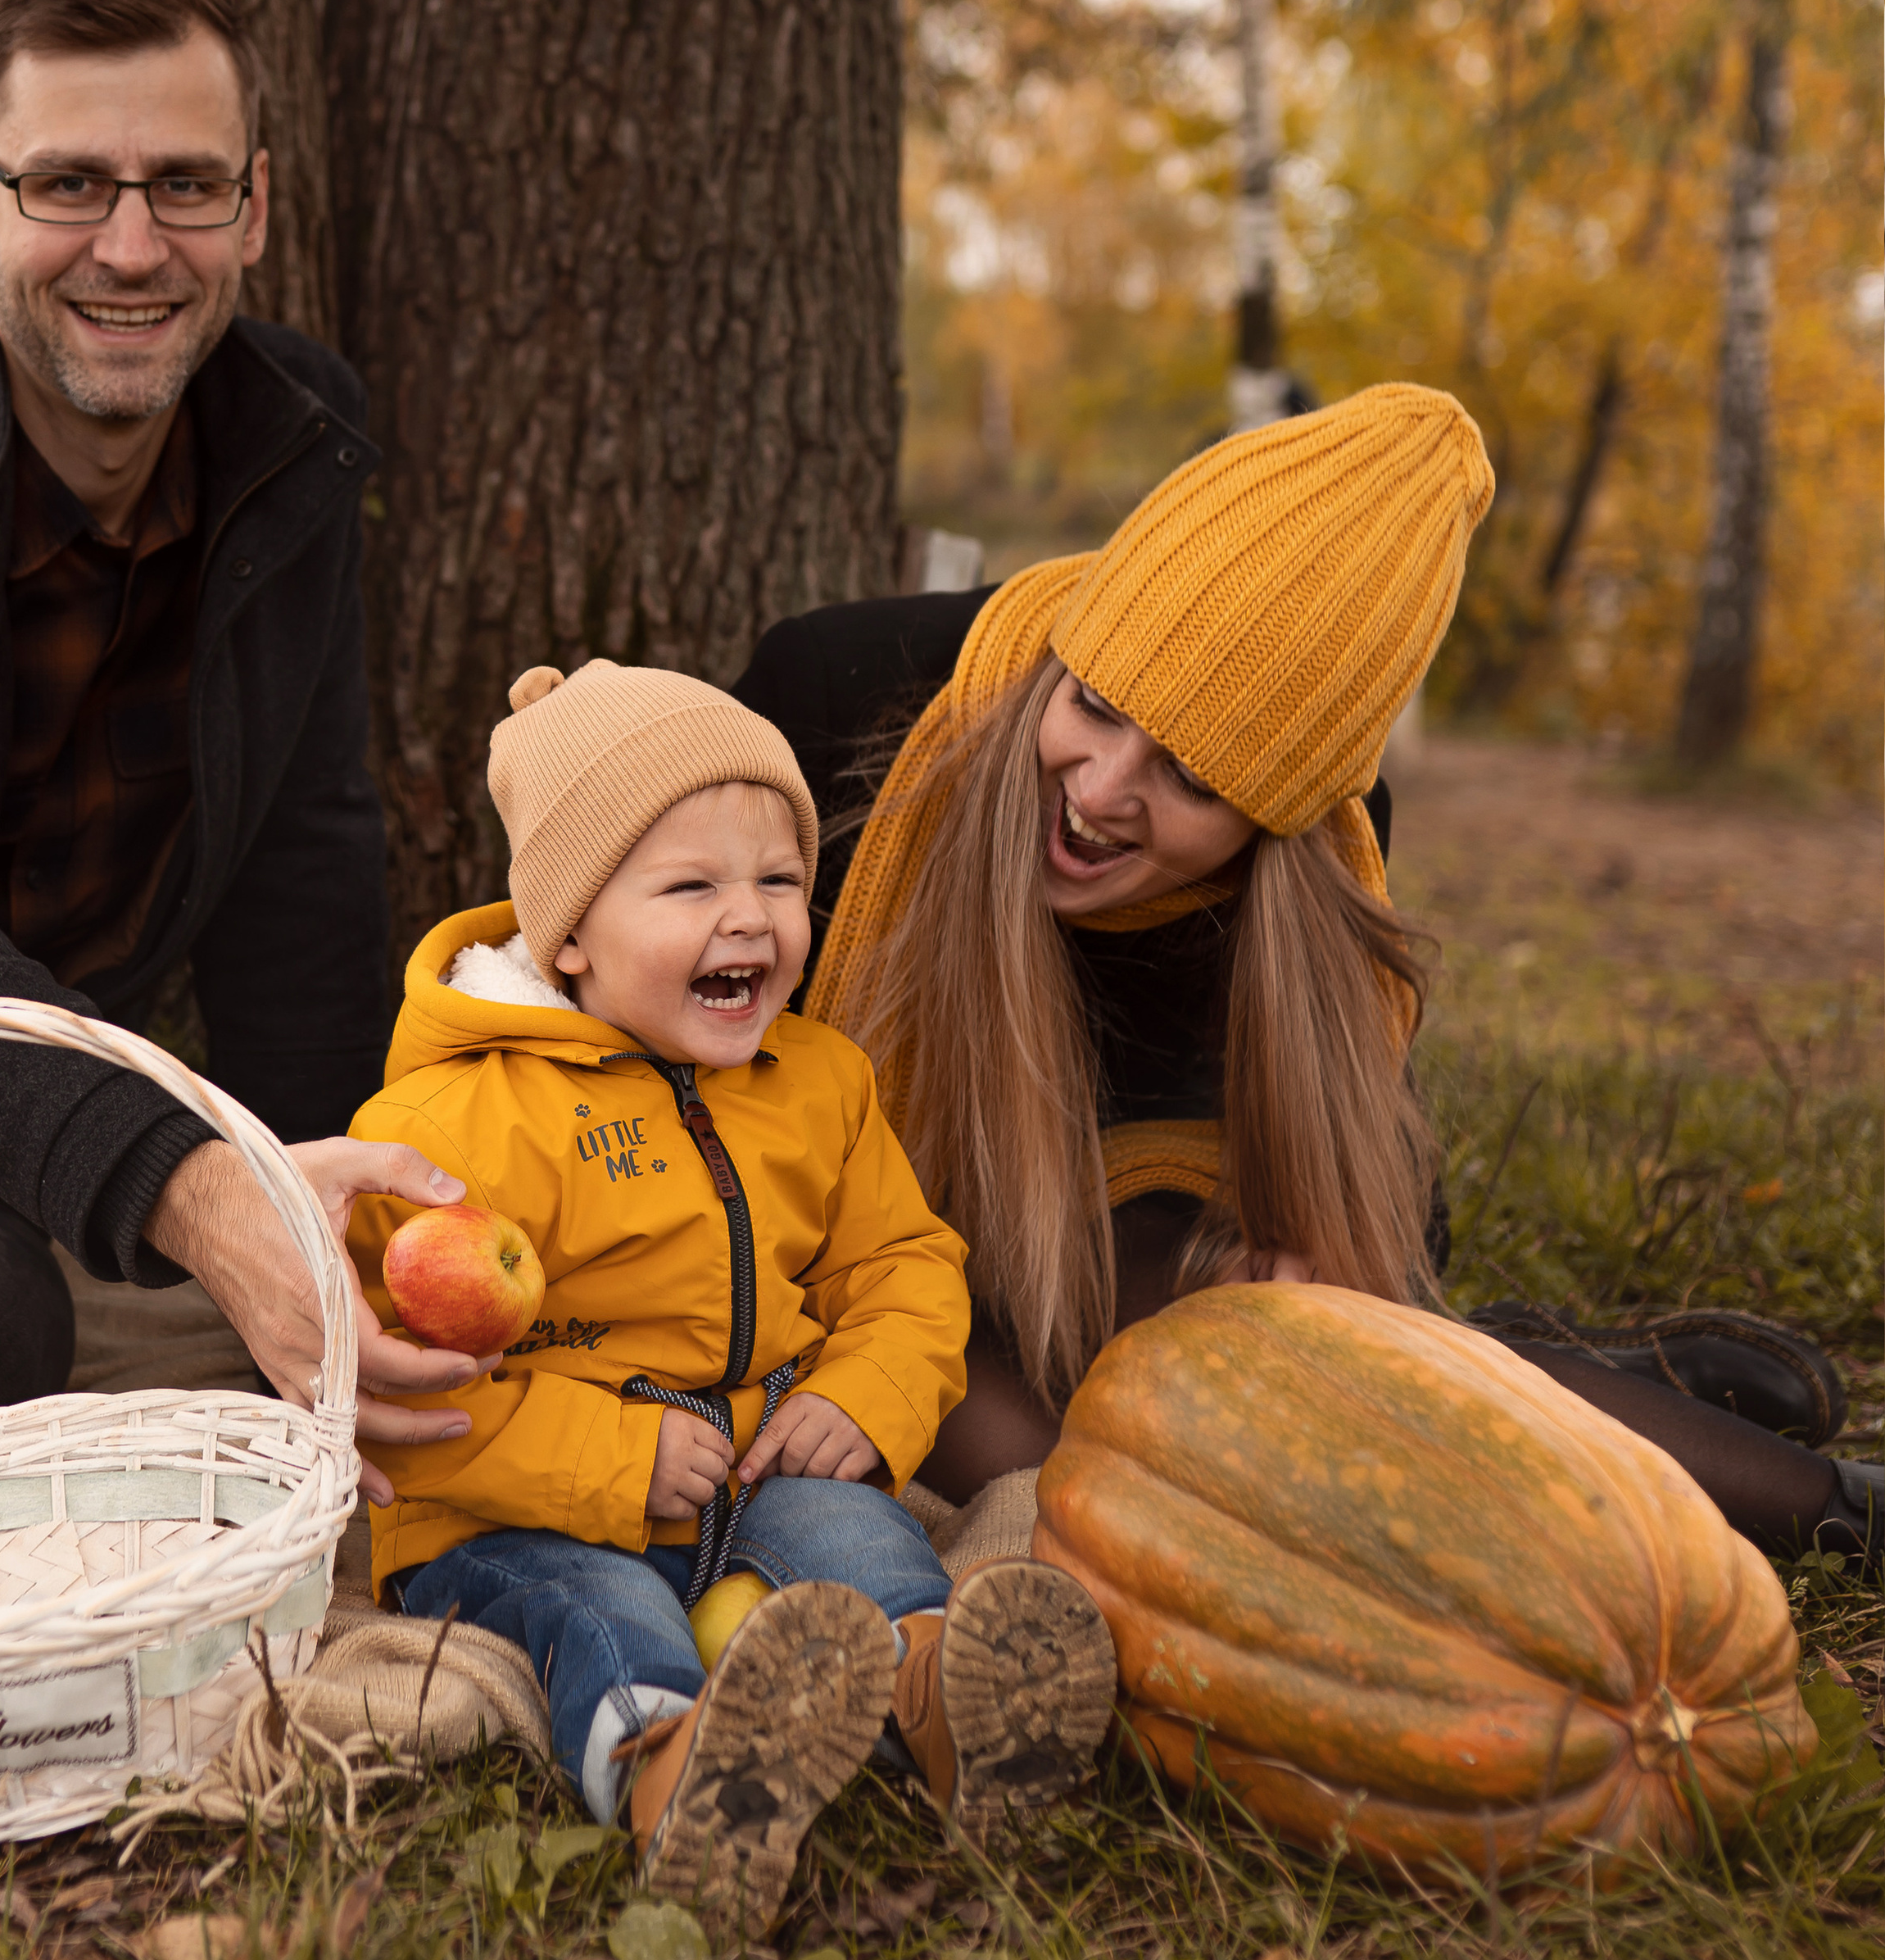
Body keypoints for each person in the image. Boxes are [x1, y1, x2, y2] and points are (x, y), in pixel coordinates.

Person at [733, 385, 1879, 1567]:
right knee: (1071, 1480)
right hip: (835, 1224)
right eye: (1095, 706)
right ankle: (1547, 1361)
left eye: (1190, 779)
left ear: (1278, 814)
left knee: (1322, 1367)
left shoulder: (1315, 855)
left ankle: (1844, 1509)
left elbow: (1372, 1159)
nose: (1100, 789)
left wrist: (1284, 1241)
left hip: (1099, 1237)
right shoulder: (842, 692)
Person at [0, 0, 476, 1488]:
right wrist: (190, 1187)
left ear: (254, 209)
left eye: (183, 185)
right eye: (68, 186)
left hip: (11, 1160)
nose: (131, 245)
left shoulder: (289, 445)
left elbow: (303, 875)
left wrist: (321, 1234)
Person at [346, 660, 1116, 1935]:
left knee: (865, 1544)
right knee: (603, 1613)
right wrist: (612, 1461)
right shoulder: (455, 1126)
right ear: (570, 934)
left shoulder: (820, 1082)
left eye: (778, 881)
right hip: (529, 1515)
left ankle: (949, 1705)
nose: (750, 919)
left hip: (761, 1464)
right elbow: (405, 1393)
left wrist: (864, 1397)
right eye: (693, 887)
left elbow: (907, 1267)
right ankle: (677, 1774)